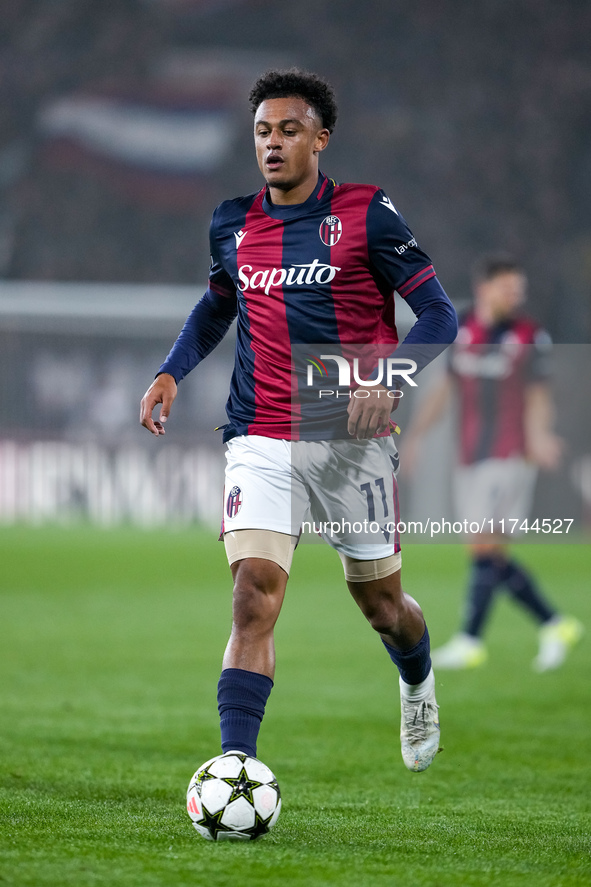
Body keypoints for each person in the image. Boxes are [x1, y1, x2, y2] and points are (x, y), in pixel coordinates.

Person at [140, 69, 458, 772]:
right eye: (262, 132)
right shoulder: (231, 221)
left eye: (288, 130)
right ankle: (236, 765)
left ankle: (416, 679)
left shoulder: (368, 213)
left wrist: (389, 376)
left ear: (320, 137)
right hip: (258, 430)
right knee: (253, 590)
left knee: (382, 606)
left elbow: (439, 314)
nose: (273, 143)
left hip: (350, 439)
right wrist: (171, 369)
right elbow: (217, 304)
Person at [401, 254, 583, 671]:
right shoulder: (462, 329)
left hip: (509, 455)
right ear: (484, 288)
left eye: (519, 289)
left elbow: (539, 395)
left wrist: (538, 436)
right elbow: (443, 389)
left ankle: (470, 641)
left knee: (486, 545)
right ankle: (555, 623)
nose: (514, 295)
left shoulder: (529, 335)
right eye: (507, 287)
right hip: (470, 456)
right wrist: (416, 437)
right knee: (487, 553)